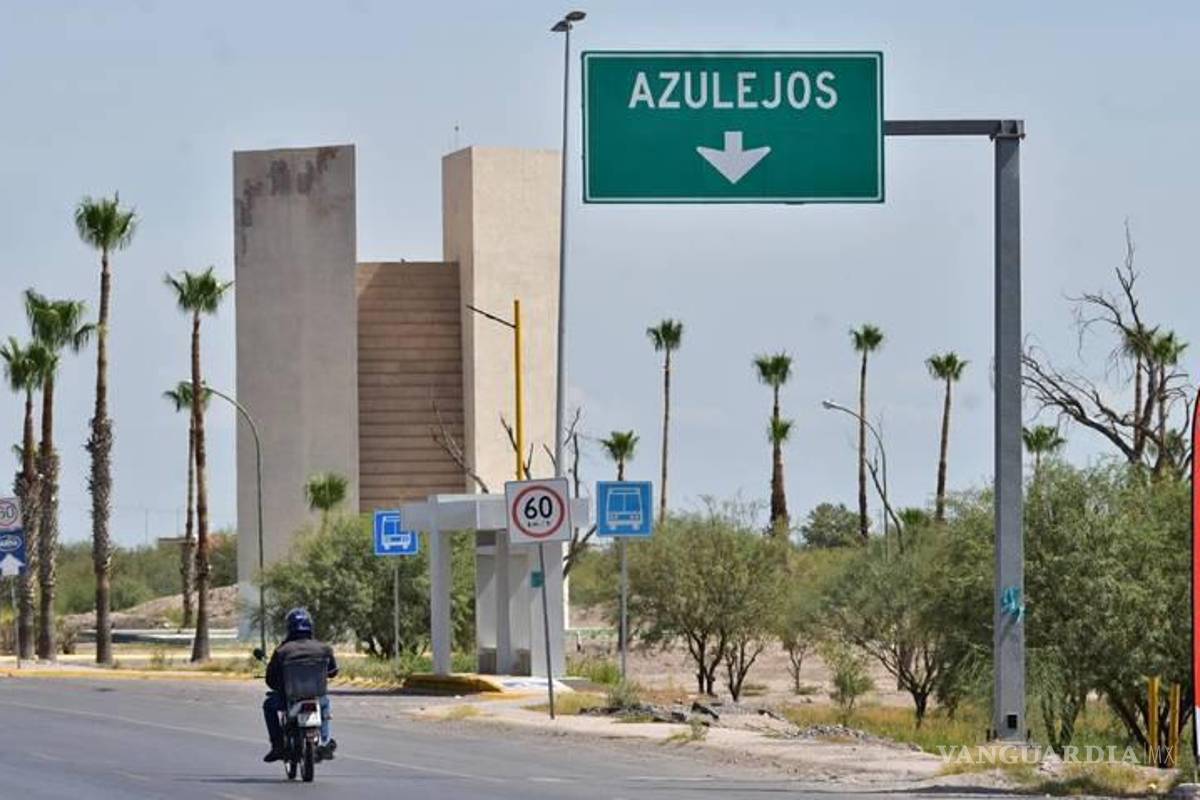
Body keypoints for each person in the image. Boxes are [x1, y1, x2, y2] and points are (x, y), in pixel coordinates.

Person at [262, 607, 339, 763]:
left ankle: (277, 745)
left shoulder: (282, 651)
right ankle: (324, 741)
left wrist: (279, 685)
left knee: (268, 706)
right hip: (317, 696)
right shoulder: (324, 649)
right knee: (325, 705)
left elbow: (270, 679)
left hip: (289, 698)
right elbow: (332, 671)